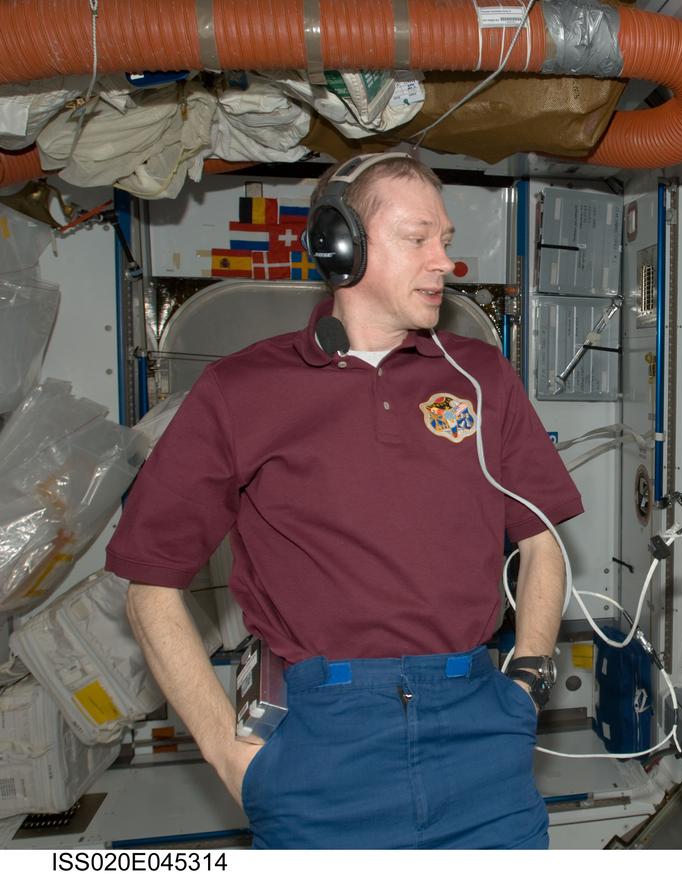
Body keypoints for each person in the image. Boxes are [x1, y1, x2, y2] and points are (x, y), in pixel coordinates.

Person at [106, 153, 583, 849]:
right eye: (418, 238)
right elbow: (150, 584)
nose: (444, 261)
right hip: (319, 743)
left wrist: (526, 686)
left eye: (447, 240)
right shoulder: (241, 391)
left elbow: (542, 543)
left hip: (481, 731)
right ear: (341, 246)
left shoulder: (482, 377)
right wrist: (228, 753)